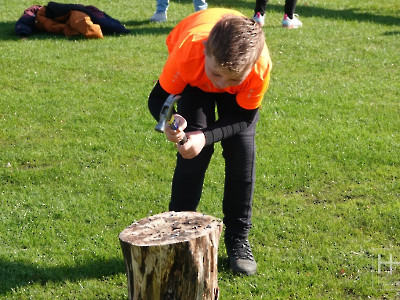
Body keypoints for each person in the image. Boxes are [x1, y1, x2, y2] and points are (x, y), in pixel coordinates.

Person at [148, 8, 272, 275]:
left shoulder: (258, 67)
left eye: (232, 80)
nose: (222, 85)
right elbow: (157, 99)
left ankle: (238, 239)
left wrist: (204, 137)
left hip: (229, 87)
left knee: (242, 153)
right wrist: (172, 124)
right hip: (195, 79)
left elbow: (243, 118)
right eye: (217, 75)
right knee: (192, 155)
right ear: (205, 50)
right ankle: (177, 233)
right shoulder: (189, 52)